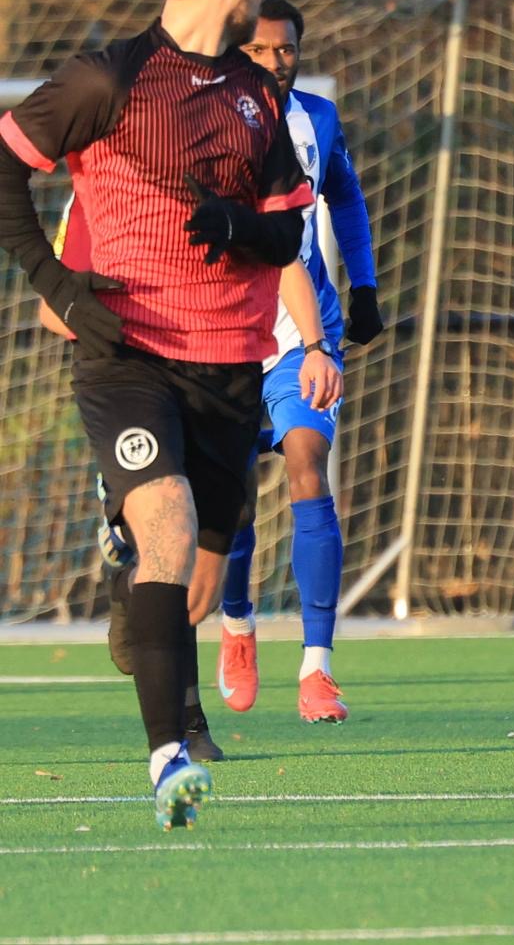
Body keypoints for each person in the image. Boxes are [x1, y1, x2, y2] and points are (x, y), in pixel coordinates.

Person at [0, 0, 311, 829]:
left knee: (199, 570)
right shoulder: (111, 78)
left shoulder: (262, 94)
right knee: (168, 527)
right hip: (127, 355)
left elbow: (288, 238)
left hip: (231, 366)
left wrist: (240, 226)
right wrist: (57, 287)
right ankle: (169, 754)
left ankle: (132, 578)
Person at [39, 196, 341, 760]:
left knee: (222, 534)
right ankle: (188, 722)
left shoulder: (223, 163)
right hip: (135, 385)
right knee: (170, 535)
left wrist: (315, 346)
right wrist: (117, 322)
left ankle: (138, 576)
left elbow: (283, 260)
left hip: (221, 376)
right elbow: (53, 309)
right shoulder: (96, 194)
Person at [214, 0, 384, 725]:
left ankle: (317, 669)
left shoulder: (317, 117)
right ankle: (238, 623)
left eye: (285, 50)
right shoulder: (205, 120)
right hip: (219, 334)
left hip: (302, 334)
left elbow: (343, 194)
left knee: (309, 460)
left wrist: (367, 284)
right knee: (235, 499)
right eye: (259, 51)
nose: (276, 62)